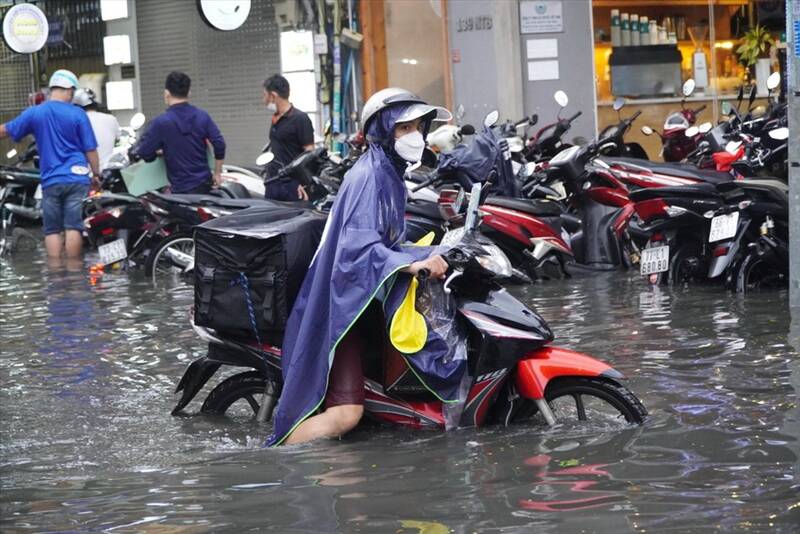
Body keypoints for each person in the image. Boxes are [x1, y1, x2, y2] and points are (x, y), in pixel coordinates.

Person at [268, 88, 452, 446]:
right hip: (342, 305)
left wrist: (438, 248)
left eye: (418, 125)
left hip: (360, 297)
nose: (414, 134)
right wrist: (411, 265)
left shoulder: (389, 173)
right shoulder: (370, 177)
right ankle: (278, 460)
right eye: (404, 128)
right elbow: (360, 248)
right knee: (346, 415)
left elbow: (385, 240)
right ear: (382, 130)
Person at [0, 69, 99, 259]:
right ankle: (74, 272)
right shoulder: (78, 113)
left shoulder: (36, 112)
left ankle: (55, 273)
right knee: (73, 226)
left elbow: (7, 130)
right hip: (77, 177)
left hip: (51, 179)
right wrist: (96, 174)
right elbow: (90, 149)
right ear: (69, 90)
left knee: (52, 229)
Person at [134, 71, 225, 194]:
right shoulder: (203, 116)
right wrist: (217, 173)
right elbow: (219, 143)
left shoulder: (160, 123)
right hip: (204, 185)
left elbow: (144, 152)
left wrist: (159, 152)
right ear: (189, 93)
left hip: (180, 191)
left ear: (166, 94)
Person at [262, 74, 314, 201]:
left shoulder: (300, 119)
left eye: (264, 95)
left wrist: (303, 183)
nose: (263, 99)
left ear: (273, 96)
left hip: (292, 186)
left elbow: (309, 154)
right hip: (273, 182)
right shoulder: (276, 119)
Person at [73, 88, 120, 171]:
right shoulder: (111, 119)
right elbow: (117, 139)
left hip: (85, 172)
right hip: (108, 171)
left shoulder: (75, 121)